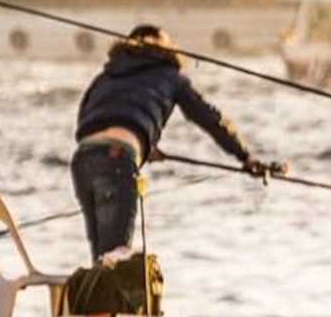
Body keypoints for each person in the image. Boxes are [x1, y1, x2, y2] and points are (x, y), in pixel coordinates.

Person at [69, 24, 271, 261]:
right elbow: (208, 117)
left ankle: (90, 298)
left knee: (102, 259)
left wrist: (143, 147)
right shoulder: (170, 75)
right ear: (165, 46)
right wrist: (245, 156)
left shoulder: (105, 76)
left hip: (83, 159)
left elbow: (88, 119)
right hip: (117, 157)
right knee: (116, 257)